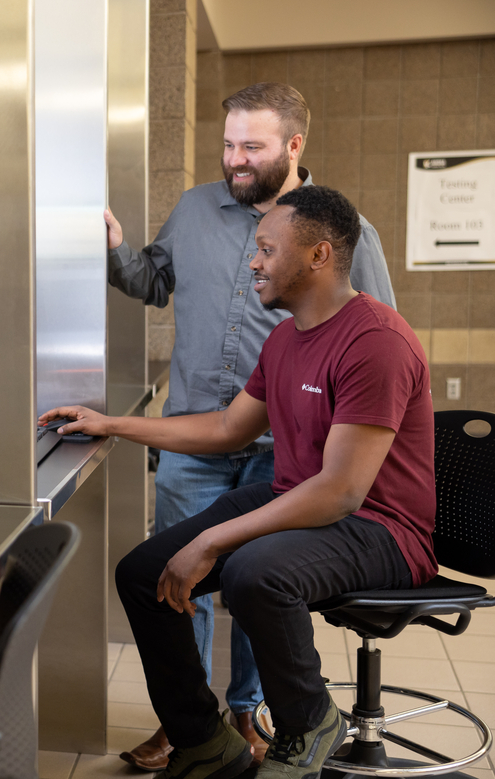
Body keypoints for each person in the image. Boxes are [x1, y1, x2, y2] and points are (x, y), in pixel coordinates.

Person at [43, 185, 434, 779]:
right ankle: (204, 742)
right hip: (302, 500)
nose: (253, 261)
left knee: (255, 572)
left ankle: (308, 721)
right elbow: (228, 428)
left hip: (380, 529)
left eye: (267, 249)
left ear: (319, 255)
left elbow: (342, 491)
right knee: (143, 573)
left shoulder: (375, 341)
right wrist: (112, 425)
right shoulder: (285, 338)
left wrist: (211, 541)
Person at [105, 82, 396, 768]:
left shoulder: (344, 233)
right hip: (200, 429)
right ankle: (188, 722)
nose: (234, 160)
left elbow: (372, 328)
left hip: (294, 453)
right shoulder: (196, 209)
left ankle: (248, 710)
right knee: (177, 578)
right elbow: (153, 281)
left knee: (253, 579)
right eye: (228, 144)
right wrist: (116, 249)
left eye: (252, 147)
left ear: (294, 147)